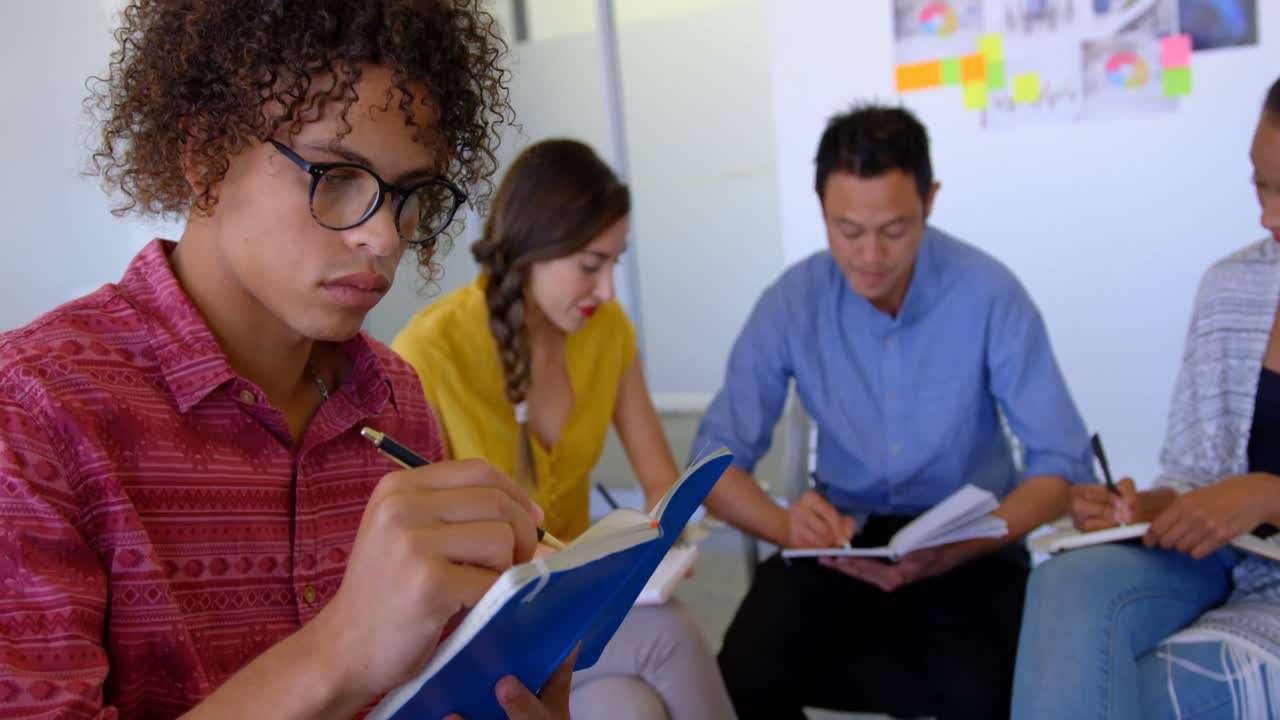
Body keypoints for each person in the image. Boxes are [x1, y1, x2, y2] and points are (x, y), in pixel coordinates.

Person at [0, 2, 570, 718]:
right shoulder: (33, 411)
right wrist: (338, 652)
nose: (385, 238)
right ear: (204, 153)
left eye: (411, 195)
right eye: (335, 176)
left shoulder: (395, 397)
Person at [693, 104, 1095, 720]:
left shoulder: (988, 293)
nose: (870, 255)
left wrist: (968, 544)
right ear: (822, 208)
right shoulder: (792, 301)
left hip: (971, 541)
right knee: (744, 672)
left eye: (895, 229)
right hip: (841, 539)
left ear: (930, 201)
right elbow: (713, 461)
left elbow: (1060, 464)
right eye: (847, 230)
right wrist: (784, 526)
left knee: (982, 690)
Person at [392, 138, 736, 720]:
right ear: (531, 251)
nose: (605, 291)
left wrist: (666, 548)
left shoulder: (609, 332)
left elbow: (660, 483)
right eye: (589, 266)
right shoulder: (431, 351)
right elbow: (423, 558)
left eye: (613, 263)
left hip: (574, 613)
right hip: (484, 631)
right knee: (668, 635)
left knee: (634, 707)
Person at [1011, 77, 1280, 720]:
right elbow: (1194, 476)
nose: (1269, 217)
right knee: (1063, 583)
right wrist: (1139, 508)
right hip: (1221, 566)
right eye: (1260, 185)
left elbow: (1247, 497)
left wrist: (1270, 493)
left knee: (1131, 696)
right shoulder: (1232, 288)